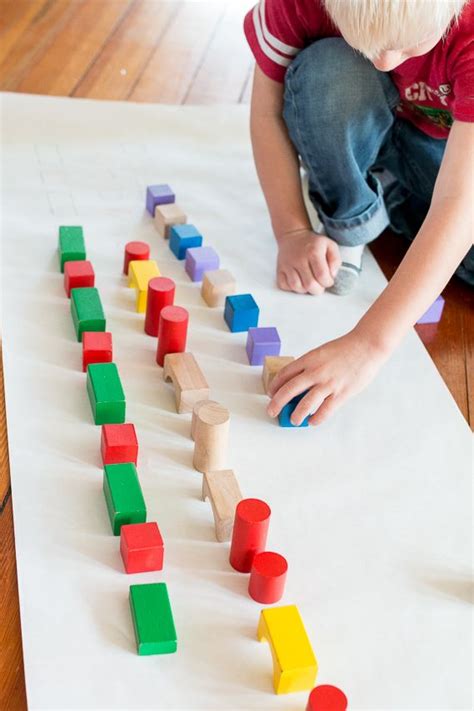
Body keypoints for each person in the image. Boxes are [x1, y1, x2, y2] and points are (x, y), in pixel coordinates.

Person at [244, 0, 474, 426]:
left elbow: (460, 200)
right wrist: (291, 230)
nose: (385, 60)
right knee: (330, 74)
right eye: (366, 42)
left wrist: (370, 344)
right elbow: (265, 113)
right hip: (364, 127)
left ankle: (395, 206)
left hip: (450, 161)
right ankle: (355, 212)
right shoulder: (295, 5)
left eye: (408, 46)